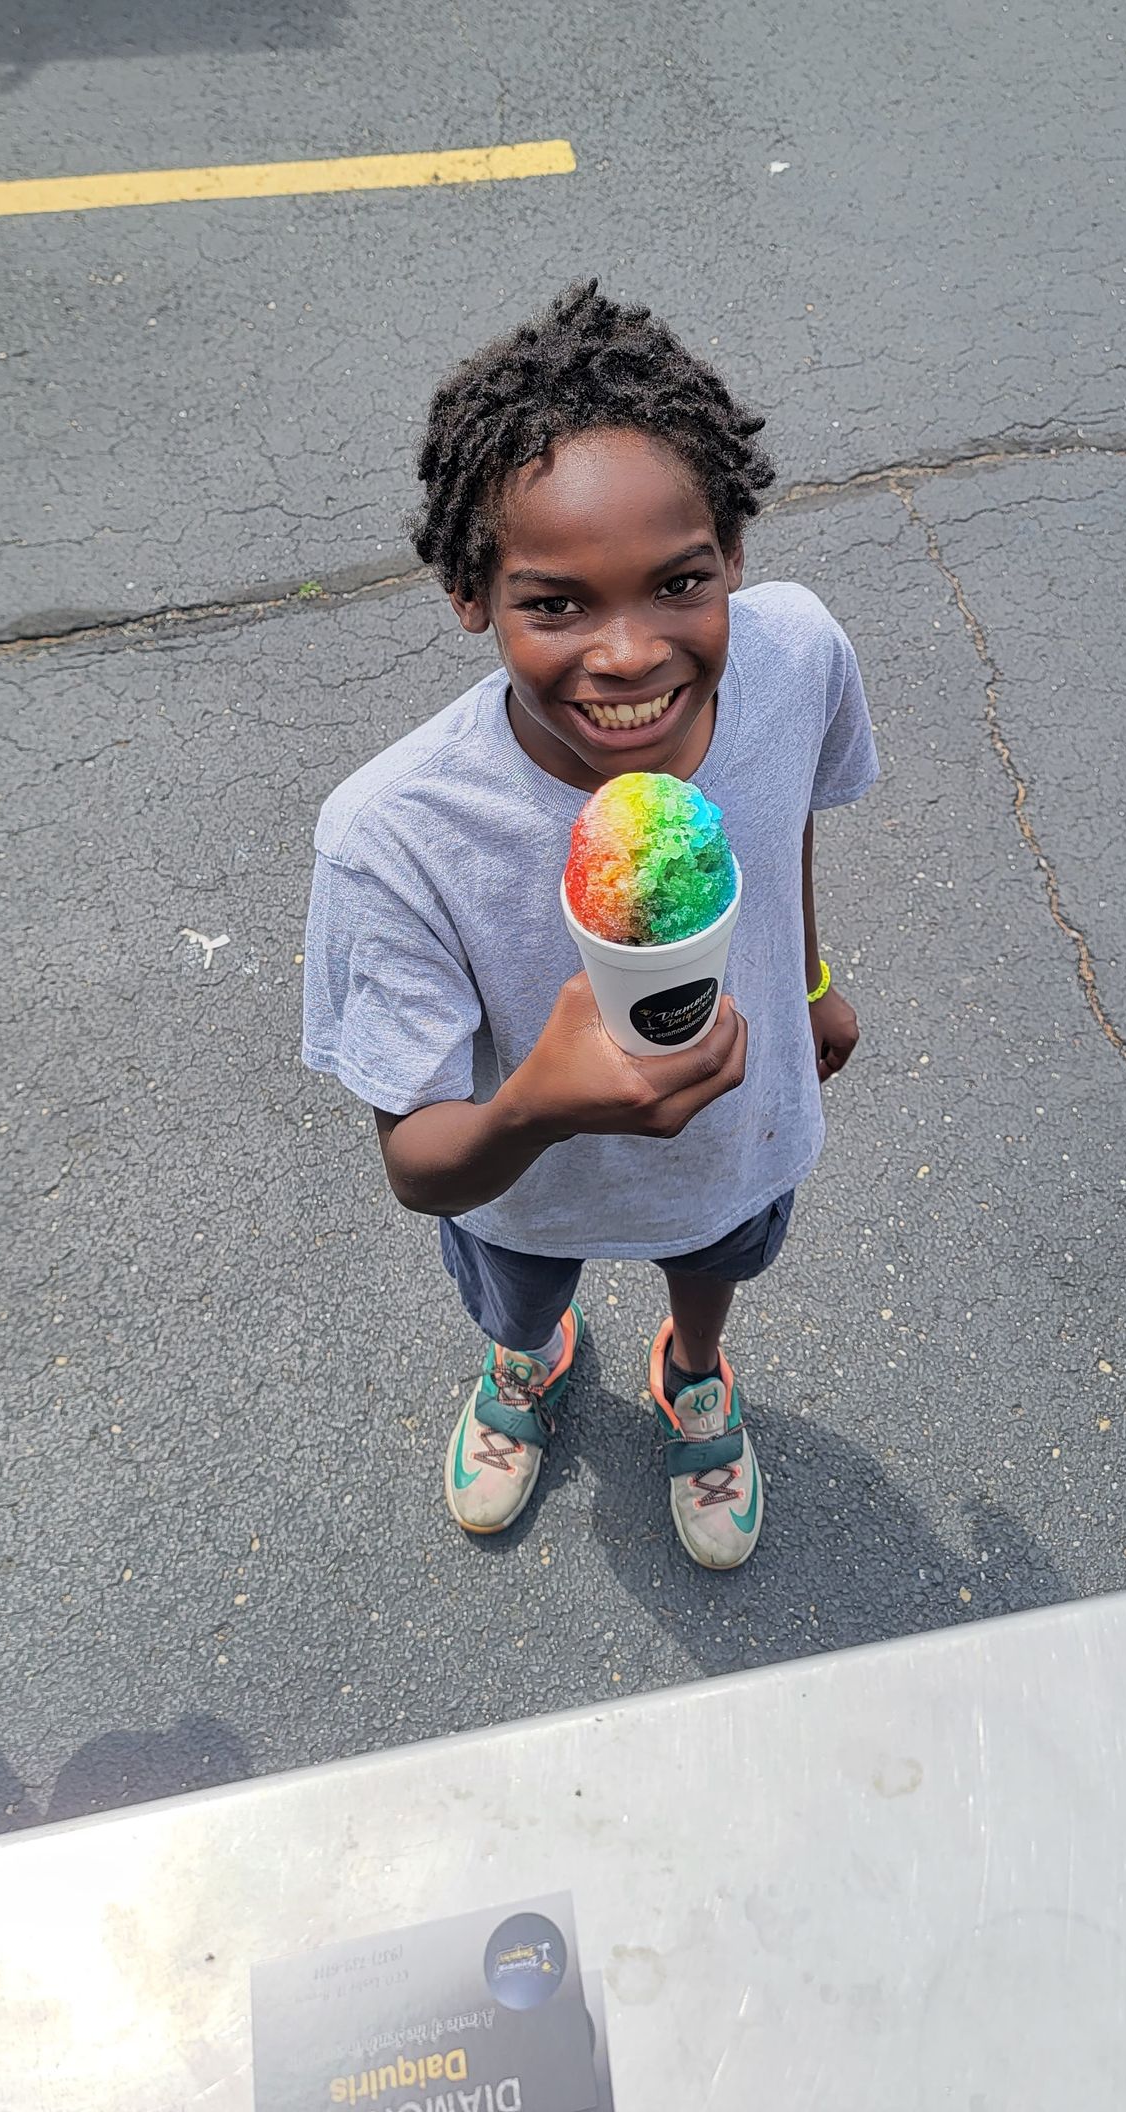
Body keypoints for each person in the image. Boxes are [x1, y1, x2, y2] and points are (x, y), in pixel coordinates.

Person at [302, 282, 877, 1569]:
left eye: (678, 582)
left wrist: (814, 978)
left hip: (740, 1131)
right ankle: (528, 1360)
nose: (627, 655)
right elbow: (421, 1163)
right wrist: (533, 1110)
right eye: (555, 603)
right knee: (523, 1287)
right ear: (468, 595)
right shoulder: (394, 835)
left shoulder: (796, 659)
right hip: (524, 1194)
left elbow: (781, 830)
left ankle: (696, 1367)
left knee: (716, 1253)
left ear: (733, 553)